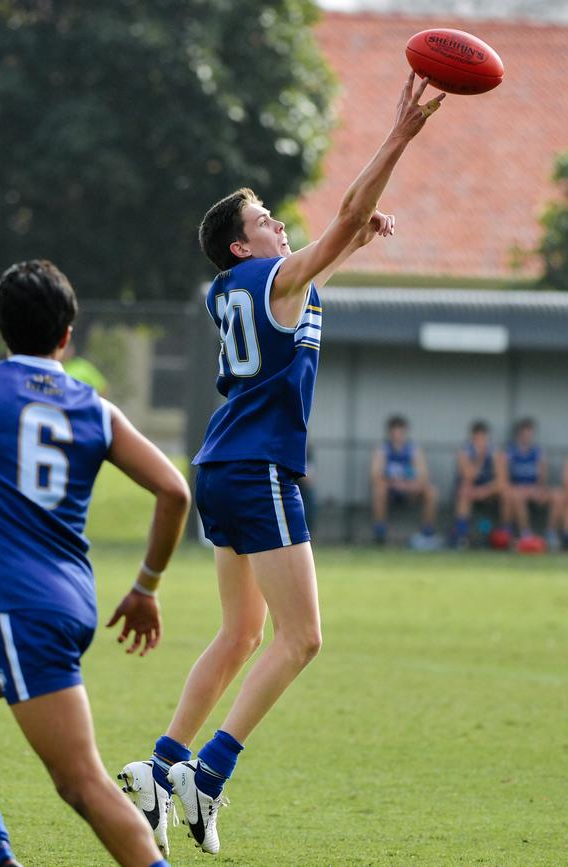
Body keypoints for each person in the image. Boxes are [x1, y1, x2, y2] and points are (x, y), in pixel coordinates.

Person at [118, 73, 445, 857]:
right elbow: (338, 223)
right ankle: (210, 773)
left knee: (241, 633)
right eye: (266, 220)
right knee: (301, 640)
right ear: (242, 245)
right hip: (259, 465)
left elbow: (316, 269)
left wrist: (353, 241)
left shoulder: (238, 289)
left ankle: (161, 768)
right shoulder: (273, 278)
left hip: (220, 465)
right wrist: (397, 137)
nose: (280, 225)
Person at [0, 260, 190, 867]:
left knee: (82, 785)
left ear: (0, 330)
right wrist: (145, 587)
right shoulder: (96, 409)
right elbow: (175, 491)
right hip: (69, 604)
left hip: (26, 614)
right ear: (67, 335)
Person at [370, 414, 439, 549]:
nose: (397, 436)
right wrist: (394, 484)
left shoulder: (413, 449)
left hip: (410, 490)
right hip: (391, 490)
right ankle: (380, 533)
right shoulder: (382, 449)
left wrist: (407, 486)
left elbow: (423, 476)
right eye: (394, 433)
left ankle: (427, 533)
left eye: (400, 432)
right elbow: (375, 476)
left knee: (431, 491)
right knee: (379, 490)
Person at [500, 417, 564, 548]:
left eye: (530, 433)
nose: (527, 437)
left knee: (559, 495)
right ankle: (526, 534)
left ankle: (550, 533)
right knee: (517, 495)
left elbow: (542, 475)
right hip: (517, 488)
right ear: (519, 434)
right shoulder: (510, 450)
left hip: (534, 489)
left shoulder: (537, 451)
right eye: (524, 433)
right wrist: (520, 488)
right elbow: (504, 475)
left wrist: (540, 489)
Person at [451, 420, 505, 547]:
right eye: (477, 438)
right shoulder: (464, 452)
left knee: (505, 494)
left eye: (483, 438)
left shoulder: (495, 452)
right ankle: (462, 536)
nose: (480, 442)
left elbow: (502, 480)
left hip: (489, 492)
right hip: (470, 491)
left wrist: (484, 491)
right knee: (464, 493)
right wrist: (480, 459)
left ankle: (499, 534)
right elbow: (468, 475)